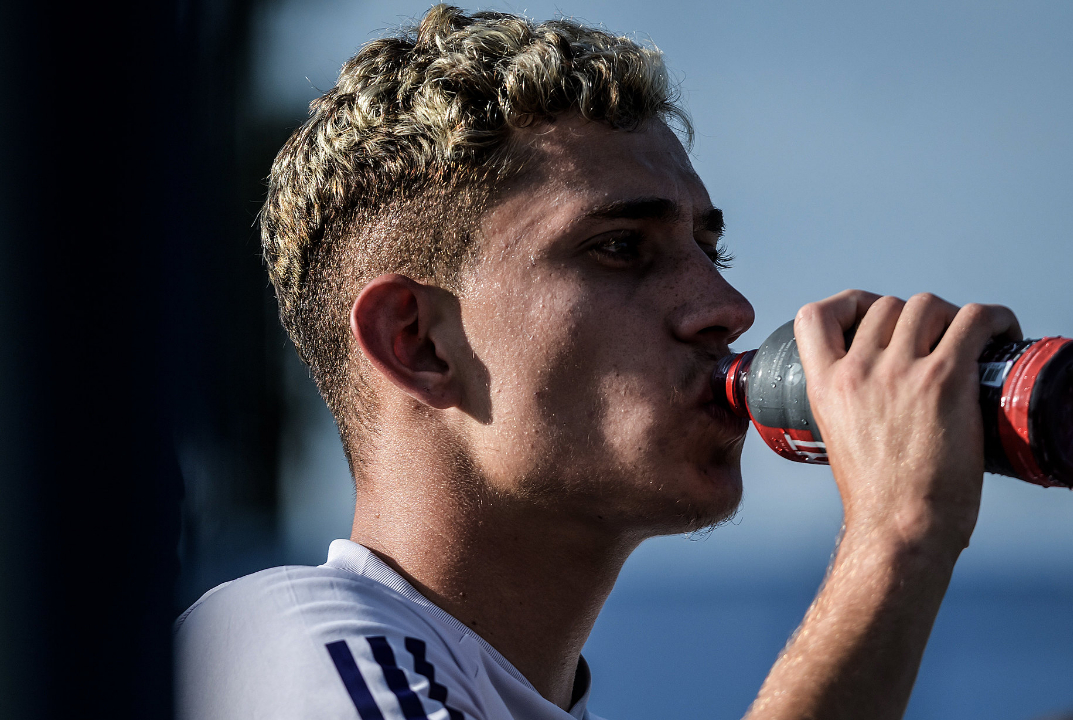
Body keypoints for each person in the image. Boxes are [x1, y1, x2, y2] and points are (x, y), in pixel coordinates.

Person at [174, 5, 1021, 719]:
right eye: (621, 248)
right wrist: (895, 538)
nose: (728, 309)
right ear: (419, 343)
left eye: (708, 250)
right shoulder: (291, 648)